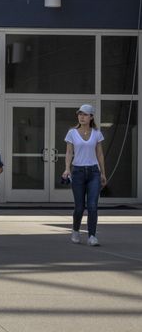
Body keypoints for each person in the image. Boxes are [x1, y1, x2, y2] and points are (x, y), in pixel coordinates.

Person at [62, 104, 106, 246]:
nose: (82, 117)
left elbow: (99, 154)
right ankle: (75, 230)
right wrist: (67, 169)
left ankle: (92, 236)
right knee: (79, 207)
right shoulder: (72, 133)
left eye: (85, 114)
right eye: (80, 114)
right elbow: (69, 152)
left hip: (94, 172)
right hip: (78, 172)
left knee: (92, 206)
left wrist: (103, 173)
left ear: (91, 117)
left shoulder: (97, 133)